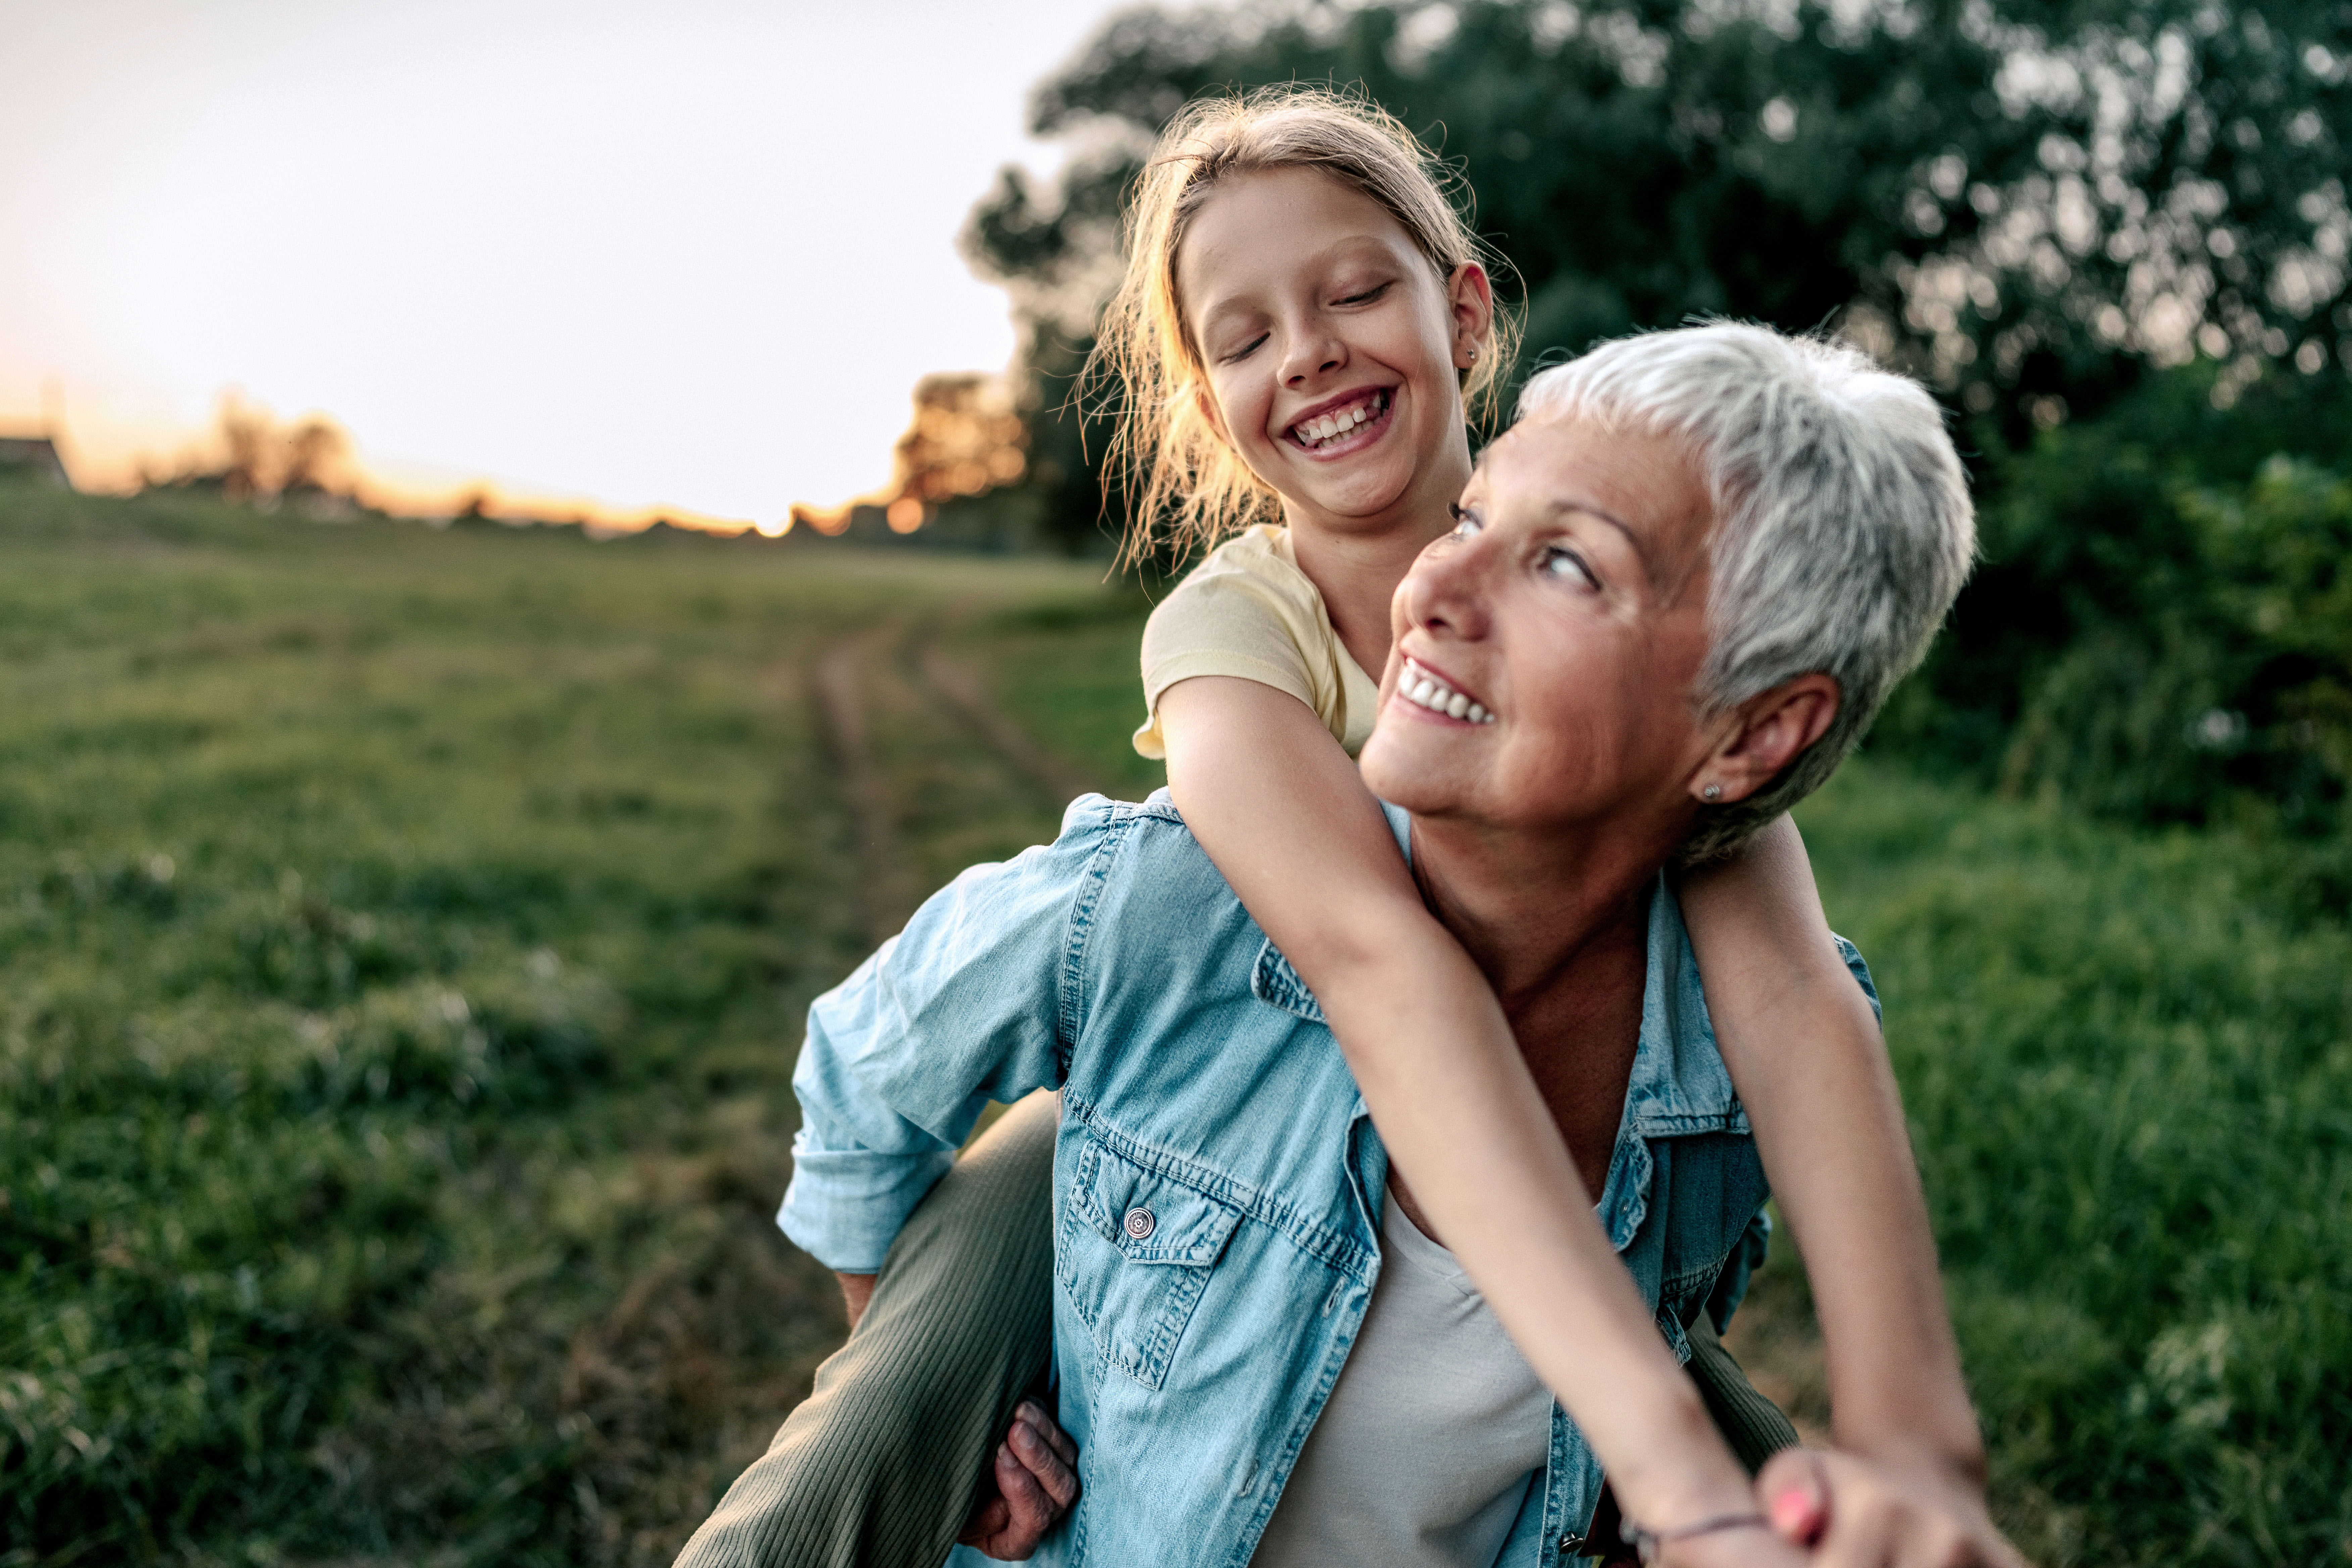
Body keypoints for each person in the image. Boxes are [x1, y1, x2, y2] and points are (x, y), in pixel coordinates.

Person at [675, 94, 2007, 1567]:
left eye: (1354, 292)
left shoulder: (1632, 640)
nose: (1305, 350)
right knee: (880, 1416)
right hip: (1184, 1104)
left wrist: (1910, 1441)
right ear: (1208, 403)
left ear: (1465, 312)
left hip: (1474, 1213)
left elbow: (1795, 993)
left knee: (1758, 1459)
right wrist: (960, 1392)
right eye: (1241, 338)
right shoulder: (1235, 638)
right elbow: (1376, 964)